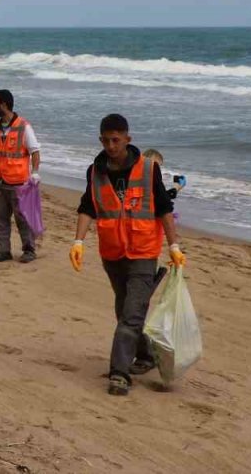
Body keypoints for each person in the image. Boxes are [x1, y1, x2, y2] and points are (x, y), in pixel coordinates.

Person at [70, 115, 184, 396]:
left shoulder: (148, 169)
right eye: (106, 140)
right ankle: (146, 355)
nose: (111, 146)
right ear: (100, 140)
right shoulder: (95, 172)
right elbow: (88, 207)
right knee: (125, 311)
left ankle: (119, 373)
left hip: (144, 252)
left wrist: (174, 246)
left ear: (127, 140)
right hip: (112, 253)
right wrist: (78, 241)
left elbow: (163, 208)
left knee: (131, 315)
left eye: (116, 140)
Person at [0, 89, 41, 264]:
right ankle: (3, 251)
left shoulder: (24, 127)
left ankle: (29, 250)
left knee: (23, 219)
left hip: (18, 182)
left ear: (3, 105)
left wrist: (35, 173)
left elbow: (35, 151)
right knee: (0, 218)